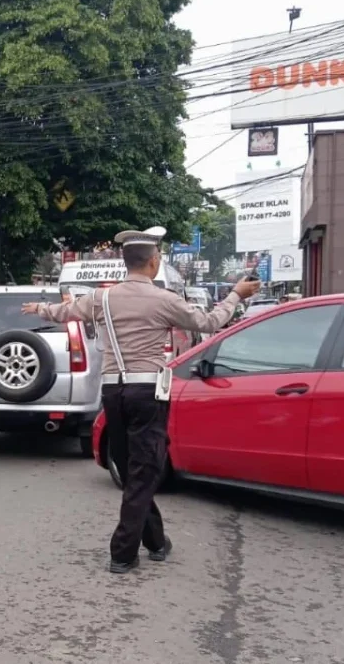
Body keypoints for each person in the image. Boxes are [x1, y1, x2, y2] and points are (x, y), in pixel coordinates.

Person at [21, 226, 260, 574]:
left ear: (124, 261)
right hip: (147, 392)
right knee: (144, 471)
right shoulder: (164, 300)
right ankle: (122, 552)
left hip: (113, 393)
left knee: (135, 468)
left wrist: (39, 308)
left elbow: (66, 312)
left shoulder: (101, 299)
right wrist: (236, 294)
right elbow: (210, 322)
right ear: (153, 263)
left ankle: (157, 542)